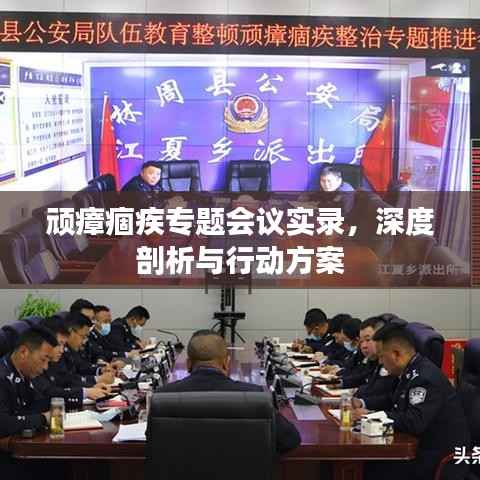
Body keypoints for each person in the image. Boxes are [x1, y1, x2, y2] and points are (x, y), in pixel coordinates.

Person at [352, 322, 470, 480]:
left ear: (396, 354)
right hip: (419, 448)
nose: (380, 362)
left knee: (366, 467)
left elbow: (414, 421)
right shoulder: (410, 370)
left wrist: (371, 415)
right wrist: (363, 403)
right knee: (365, 463)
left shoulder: (424, 378)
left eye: (381, 356)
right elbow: (393, 399)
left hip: (437, 459)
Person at [155, 330, 301, 454]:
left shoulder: (163, 396)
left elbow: (153, 441)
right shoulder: (255, 396)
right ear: (226, 363)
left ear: (188, 364)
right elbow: (290, 439)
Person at [32, 316, 109, 406]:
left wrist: (90, 387)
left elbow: (65, 380)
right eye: (59, 344)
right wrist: (85, 392)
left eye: (63, 345)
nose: (61, 350)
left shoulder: (53, 360)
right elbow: (49, 393)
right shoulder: (34, 364)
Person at [0, 327, 57, 438]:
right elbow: (3, 423)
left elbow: (37, 404)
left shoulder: (25, 373)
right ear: (23, 352)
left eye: (48, 361)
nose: (45, 367)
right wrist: (43, 418)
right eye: (43, 359)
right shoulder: (2, 377)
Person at [59, 312, 115, 388]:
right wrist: (96, 379)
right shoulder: (58, 350)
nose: (84, 342)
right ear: (71, 332)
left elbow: (81, 367)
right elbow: (66, 380)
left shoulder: (71, 349)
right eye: (83, 336)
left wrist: (100, 370)